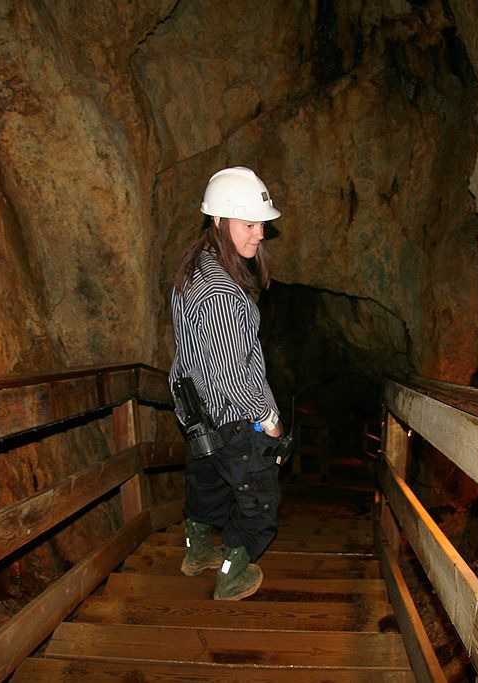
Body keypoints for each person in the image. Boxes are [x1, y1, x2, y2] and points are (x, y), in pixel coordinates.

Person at [169, 166, 287, 601]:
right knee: (259, 499)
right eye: (249, 224)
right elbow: (233, 377)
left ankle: (196, 553)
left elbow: (189, 355)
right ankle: (231, 574)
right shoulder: (220, 291)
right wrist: (268, 421)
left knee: (208, 484)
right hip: (231, 419)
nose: (259, 234)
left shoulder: (193, 269)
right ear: (219, 221)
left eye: (261, 224)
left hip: (198, 416)